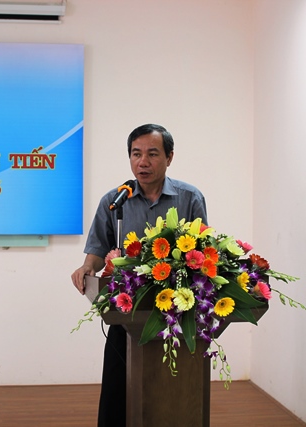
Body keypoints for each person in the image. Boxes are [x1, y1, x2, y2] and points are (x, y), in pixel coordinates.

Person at [71, 123, 207, 427]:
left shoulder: (189, 198)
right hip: (128, 311)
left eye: (152, 154)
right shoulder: (115, 200)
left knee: (175, 389)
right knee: (117, 390)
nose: (142, 162)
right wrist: (87, 267)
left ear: (169, 157)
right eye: (136, 154)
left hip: (175, 312)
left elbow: (201, 252)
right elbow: (98, 249)